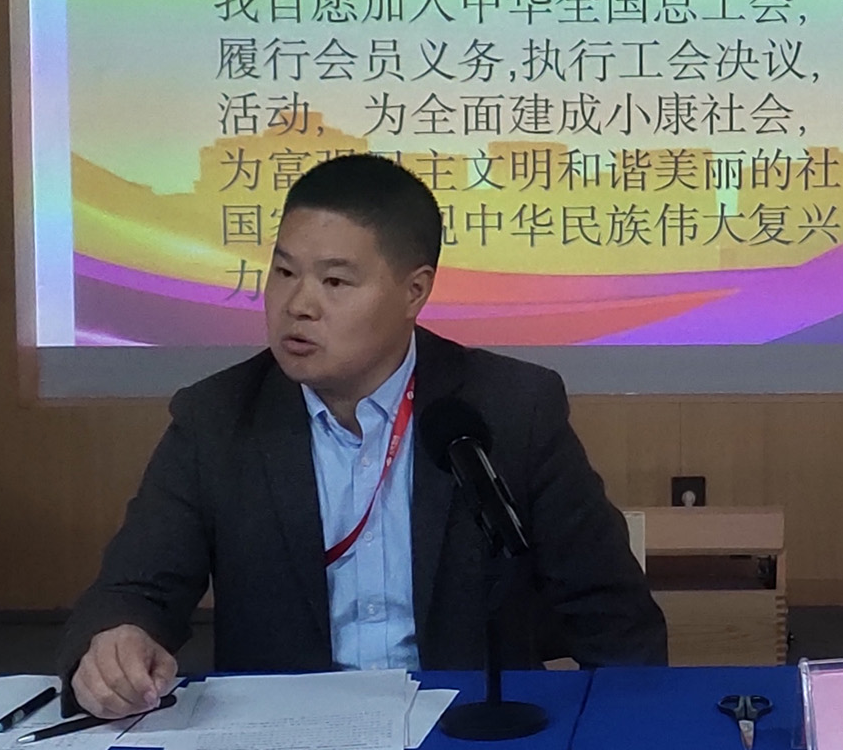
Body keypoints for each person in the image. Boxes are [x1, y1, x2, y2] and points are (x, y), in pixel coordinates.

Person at [59, 154, 665, 718]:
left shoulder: (510, 408)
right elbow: (132, 590)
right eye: (284, 272)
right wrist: (117, 641)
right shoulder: (217, 419)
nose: (298, 305)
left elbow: (613, 617)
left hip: (468, 734)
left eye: (335, 282)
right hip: (287, 741)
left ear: (414, 291)